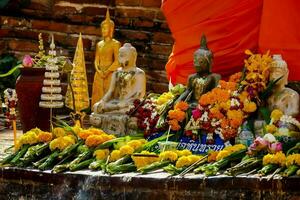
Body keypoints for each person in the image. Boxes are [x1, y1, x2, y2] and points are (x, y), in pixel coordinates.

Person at [93, 43, 146, 114]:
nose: (120, 56)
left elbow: (139, 95)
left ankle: (115, 109)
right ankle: (114, 109)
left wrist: (126, 103)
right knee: (96, 107)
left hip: (129, 104)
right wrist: (102, 101)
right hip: (116, 102)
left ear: (132, 56)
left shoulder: (139, 73)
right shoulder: (117, 72)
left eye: (124, 54)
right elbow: (110, 91)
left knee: (130, 110)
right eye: (120, 54)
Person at [91, 9, 121, 106]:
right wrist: (99, 70)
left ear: (111, 29)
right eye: (102, 28)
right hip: (99, 73)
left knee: (108, 94)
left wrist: (107, 71)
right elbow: (96, 60)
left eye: (105, 28)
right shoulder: (99, 44)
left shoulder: (115, 44)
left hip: (110, 73)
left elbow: (117, 61)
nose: (103, 31)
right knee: (97, 94)